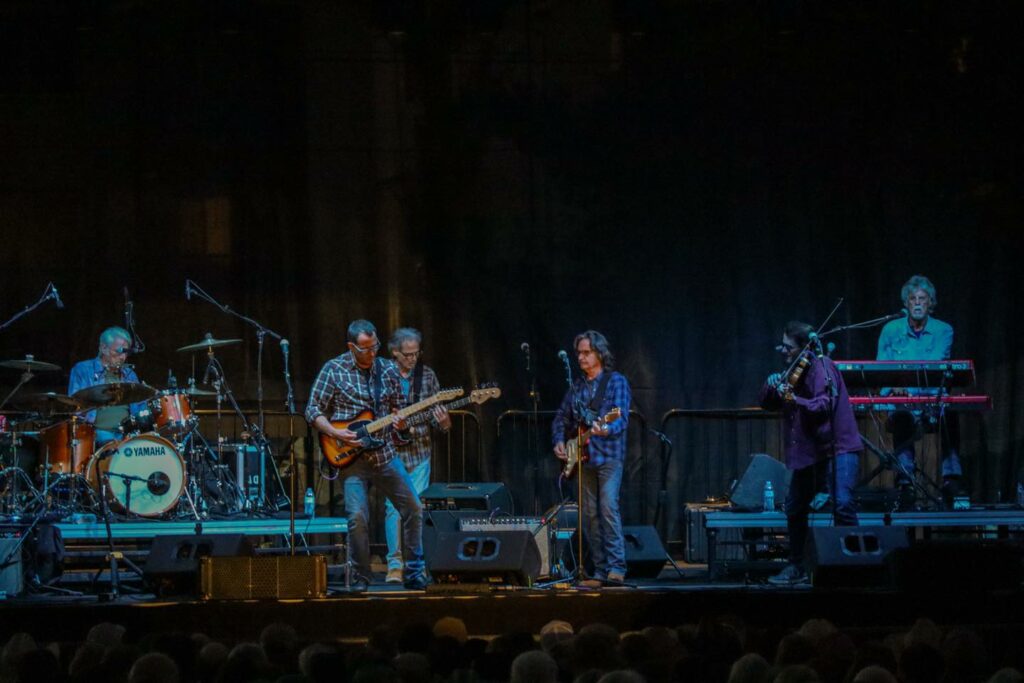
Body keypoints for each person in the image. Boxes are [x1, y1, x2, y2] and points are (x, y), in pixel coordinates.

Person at [305, 319, 428, 590]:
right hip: (351, 458)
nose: (372, 353)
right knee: (357, 518)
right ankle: (361, 578)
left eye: (375, 347)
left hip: (384, 454)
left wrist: (402, 426)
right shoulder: (334, 370)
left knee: (414, 508)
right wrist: (336, 434)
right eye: (365, 349)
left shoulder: (388, 370)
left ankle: (415, 572)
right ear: (351, 347)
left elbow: (398, 412)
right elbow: (312, 410)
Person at [760, 321, 863, 586]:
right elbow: (768, 404)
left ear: (804, 347)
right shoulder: (793, 371)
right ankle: (796, 566)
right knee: (795, 506)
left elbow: (823, 405)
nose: (783, 351)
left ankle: (852, 566)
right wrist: (771, 386)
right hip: (812, 451)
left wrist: (796, 400)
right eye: (782, 346)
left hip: (838, 447)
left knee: (842, 503)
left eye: (788, 347)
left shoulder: (822, 366)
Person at [552, 330, 631, 588]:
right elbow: (561, 418)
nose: (581, 358)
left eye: (586, 353)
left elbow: (620, 417)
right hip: (583, 459)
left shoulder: (616, 382)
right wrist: (559, 441)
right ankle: (600, 570)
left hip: (609, 457)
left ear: (599, 353)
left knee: (608, 508)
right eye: (579, 354)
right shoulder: (577, 388)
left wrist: (605, 429)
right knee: (589, 515)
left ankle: (617, 567)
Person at [876, 275, 962, 508]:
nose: (916, 303)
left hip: (929, 401)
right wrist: (894, 387)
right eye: (912, 298)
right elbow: (880, 368)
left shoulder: (944, 330)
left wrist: (909, 388)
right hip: (901, 403)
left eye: (922, 299)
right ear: (905, 303)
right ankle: (905, 480)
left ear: (930, 303)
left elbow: (935, 368)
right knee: (902, 415)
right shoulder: (890, 329)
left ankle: (951, 479)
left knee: (950, 412)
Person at [383, 327, 451, 584]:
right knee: (392, 509)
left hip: (419, 452)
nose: (413, 359)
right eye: (407, 354)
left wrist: (444, 423)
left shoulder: (427, 376)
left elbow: (436, 418)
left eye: (416, 354)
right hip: (390, 451)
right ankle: (394, 564)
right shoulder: (383, 374)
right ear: (395, 352)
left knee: (417, 508)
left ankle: (415, 564)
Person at [68, 326, 146, 447]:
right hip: (97, 433)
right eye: (119, 351)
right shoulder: (83, 370)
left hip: (128, 434)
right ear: (103, 348)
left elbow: (140, 408)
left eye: (125, 353)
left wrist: (147, 395)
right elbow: (74, 404)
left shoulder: (129, 374)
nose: (122, 357)